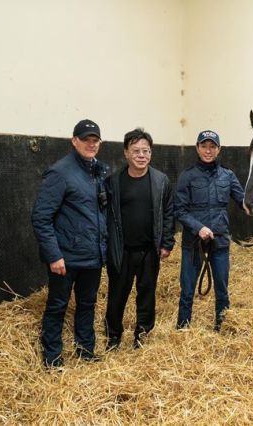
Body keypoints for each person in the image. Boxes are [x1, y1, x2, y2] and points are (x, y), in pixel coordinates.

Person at [32, 119, 109, 369]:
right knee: (57, 305)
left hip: (92, 255)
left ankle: (85, 351)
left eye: (94, 140)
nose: (90, 144)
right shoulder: (60, 172)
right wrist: (54, 255)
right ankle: (53, 357)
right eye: (85, 139)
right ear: (73, 141)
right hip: (66, 257)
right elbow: (41, 217)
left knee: (87, 304)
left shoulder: (98, 171)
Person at [104, 128, 175, 350]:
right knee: (117, 295)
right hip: (121, 250)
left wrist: (167, 242)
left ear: (151, 154)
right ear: (126, 152)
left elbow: (169, 213)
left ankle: (142, 334)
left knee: (146, 294)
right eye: (136, 151)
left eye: (146, 150)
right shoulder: (113, 182)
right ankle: (113, 336)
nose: (141, 155)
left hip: (149, 250)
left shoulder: (161, 181)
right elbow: (106, 216)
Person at [174, 130, 245, 331]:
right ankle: (182, 329)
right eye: (204, 146)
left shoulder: (228, 176)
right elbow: (179, 210)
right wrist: (199, 228)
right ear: (197, 148)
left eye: (212, 147)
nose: (208, 150)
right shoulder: (187, 176)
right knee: (187, 289)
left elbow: (243, 202)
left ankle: (222, 327)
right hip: (193, 243)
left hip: (219, 242)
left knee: (222, 289)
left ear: (219, 149)